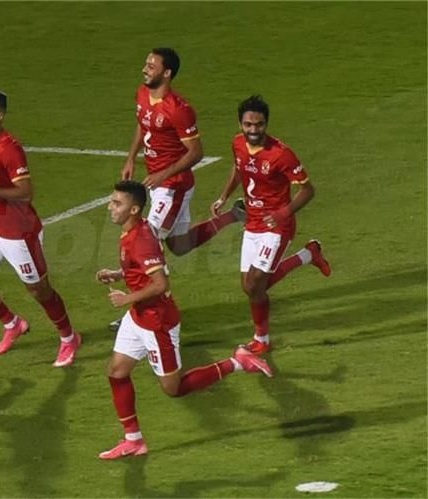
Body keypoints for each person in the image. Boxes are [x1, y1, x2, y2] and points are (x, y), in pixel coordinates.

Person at [96, 180, 273, 460]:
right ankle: (133, 440)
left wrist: (126, 298)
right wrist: (118, 274)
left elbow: (160, 283)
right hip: (139, 316)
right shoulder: (134, 231)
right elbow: (143, 267)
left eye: (117, 203)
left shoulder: (141, 239)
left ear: (134, 209)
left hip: (157, 322)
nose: (110, 207)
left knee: (173, 388)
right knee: (117, 372)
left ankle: (238, 362)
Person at [110, 47, 244, 331]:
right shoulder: (142, 94)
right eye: (146, 64)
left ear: (167, 72)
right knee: (179, 246)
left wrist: (163, 174)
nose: (145, 69)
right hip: (159, 183)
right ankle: (233, 216)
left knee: (146, 241)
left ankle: (141, 310)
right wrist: (131, 158)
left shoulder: (179, 110)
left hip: (173, 187)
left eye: (151, 66)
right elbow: (142, 125)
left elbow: (196, 152)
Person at [0, 89, 81, 367]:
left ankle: (69, 338)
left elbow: (25, 193)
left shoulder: (10, 149)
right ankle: (13, 324)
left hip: (19, 233)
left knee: (39, 291)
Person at [211, 95, 331, 354]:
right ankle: (308, 254)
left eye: (259, 124)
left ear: (266, 124)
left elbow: (308, 190)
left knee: (256, 286)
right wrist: (224, 196)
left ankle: (262, 340)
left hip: (277, 228)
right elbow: (238, 168)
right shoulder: (237, 143)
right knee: (249, 287)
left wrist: (282, 213)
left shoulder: (281, 154)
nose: (253, 130)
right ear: (240, 124)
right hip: (253, 223)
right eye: (248, 125)